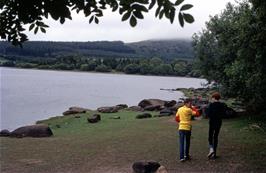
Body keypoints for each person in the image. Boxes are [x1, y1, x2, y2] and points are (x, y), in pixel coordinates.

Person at [207, 92, 227, 159]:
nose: (212, 99)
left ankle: (211, 150)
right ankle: (214, 154)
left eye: (212, 98)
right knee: (215, 137)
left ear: (214, 98)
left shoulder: (211, 105)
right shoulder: (222, 105)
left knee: (210, 136)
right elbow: (224, 114)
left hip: (212, 122)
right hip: (218, 123)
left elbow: (208, 114)